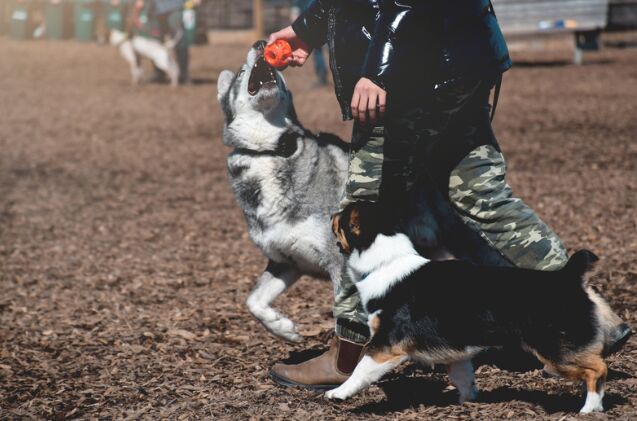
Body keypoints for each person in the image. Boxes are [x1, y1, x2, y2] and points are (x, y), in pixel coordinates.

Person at [267, 0, 631, 390]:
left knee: (361, 210)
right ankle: (580, 313)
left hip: (407, 74)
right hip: (460, 63)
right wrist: (309, 27)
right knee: (482, 195)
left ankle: (350, 354)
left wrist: (378, 70)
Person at [147, 0, 190, 84]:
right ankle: (159, 73)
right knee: (156, 42)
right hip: (155, 9)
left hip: (174, 7)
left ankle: (183, 74)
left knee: (180, 40)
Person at [290, 0, 328, 87]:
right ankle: (324, 75)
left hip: (311, 21)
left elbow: (295, 6)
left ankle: (322, 75)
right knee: (330, 48)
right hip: (323, 18)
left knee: (318, 50)